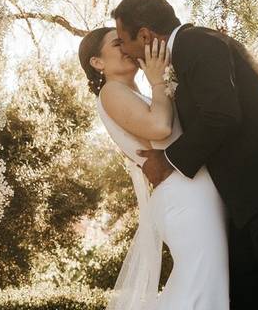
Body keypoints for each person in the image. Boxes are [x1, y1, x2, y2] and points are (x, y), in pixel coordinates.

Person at [111, 0, 258, 310]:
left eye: (123, 40)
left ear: (144, 35)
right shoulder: (187, 51)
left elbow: (221, 116)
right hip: (251, 203)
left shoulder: (197, 44)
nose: (126, 51)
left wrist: (168, 159)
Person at [79, 27, 228, 310]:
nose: (126, 46)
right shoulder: (110, 91)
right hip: (184, 195)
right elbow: (159, 128)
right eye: (116, 43)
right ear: (97, 63)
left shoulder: (132, 93)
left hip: (192, 190)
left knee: (204, 284)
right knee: (200, 287)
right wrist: (159, 82)